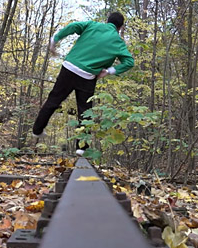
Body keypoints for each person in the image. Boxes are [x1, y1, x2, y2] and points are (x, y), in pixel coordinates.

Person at [32, 12, 134, 156]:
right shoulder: (118, 42)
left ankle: (37, 130)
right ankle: (82, 148)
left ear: (107, 21)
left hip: (69, 68)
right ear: (120, 27)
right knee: (85, 112)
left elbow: (73, 26)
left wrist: (56, 38)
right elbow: (129, 62)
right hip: (87, 77)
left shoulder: (92, 25)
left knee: (54, 99)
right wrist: (108, 71)